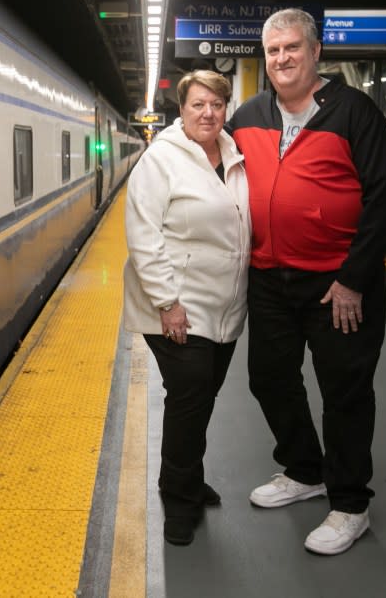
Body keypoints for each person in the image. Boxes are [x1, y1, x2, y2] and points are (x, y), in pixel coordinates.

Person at [226, 8, 386, 555]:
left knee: (344, 392)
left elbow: (383, 199)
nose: (281, 59)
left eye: (292, 48)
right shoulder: (249, 115)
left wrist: (354, 279)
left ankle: (350, 505)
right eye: (273, 51)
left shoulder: (354, 111)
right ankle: (304, 470)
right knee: (268, 377)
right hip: (270, 277)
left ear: (316, 51)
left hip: (338, 285)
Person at [122, 70, 251, 546]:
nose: (208, 113)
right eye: (198, 104)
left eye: (216, 104)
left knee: (201, 397)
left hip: (225, 308)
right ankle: (179, 499)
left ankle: (185, 478)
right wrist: (168, 303)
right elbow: (143, 235)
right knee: (189, 397)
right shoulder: (161, 160)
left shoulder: (234, 155)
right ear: (183, 108)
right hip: (177, 308)